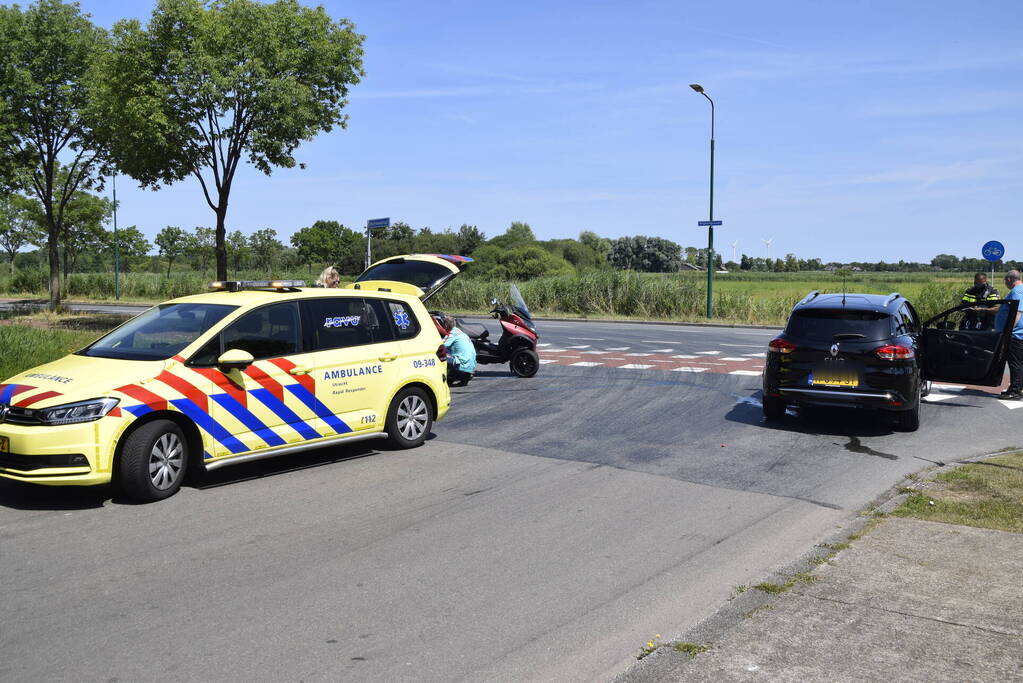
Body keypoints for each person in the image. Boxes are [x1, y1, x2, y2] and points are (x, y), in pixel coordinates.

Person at [995, 270, 1023, 400]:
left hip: (1015, 334)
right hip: (1018, 334)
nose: (1005, 283)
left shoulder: (1017, 291)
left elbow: (1017, 312)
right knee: (1018, 363)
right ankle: (1018, 388)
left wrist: (1008, 331)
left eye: (1005, 280)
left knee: (1015, 363)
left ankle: (1015, 391)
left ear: (1009, 279)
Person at [441, 315, 476, 387]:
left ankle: (450, 377)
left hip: (461, 368)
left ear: (446, 325)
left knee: (440, 355)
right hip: (470, 368)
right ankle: (463, 378)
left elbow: (440, 346)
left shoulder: (452, 334)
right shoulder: (460, 332)